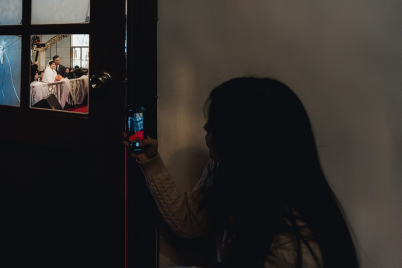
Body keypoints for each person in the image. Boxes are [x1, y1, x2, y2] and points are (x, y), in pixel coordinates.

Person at [123, 77, 359, 268]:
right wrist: (151, 162)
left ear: (243, 138)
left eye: (215, 121)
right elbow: (189, 223)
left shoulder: (290, 246)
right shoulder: (225, 168)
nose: (205, 127)